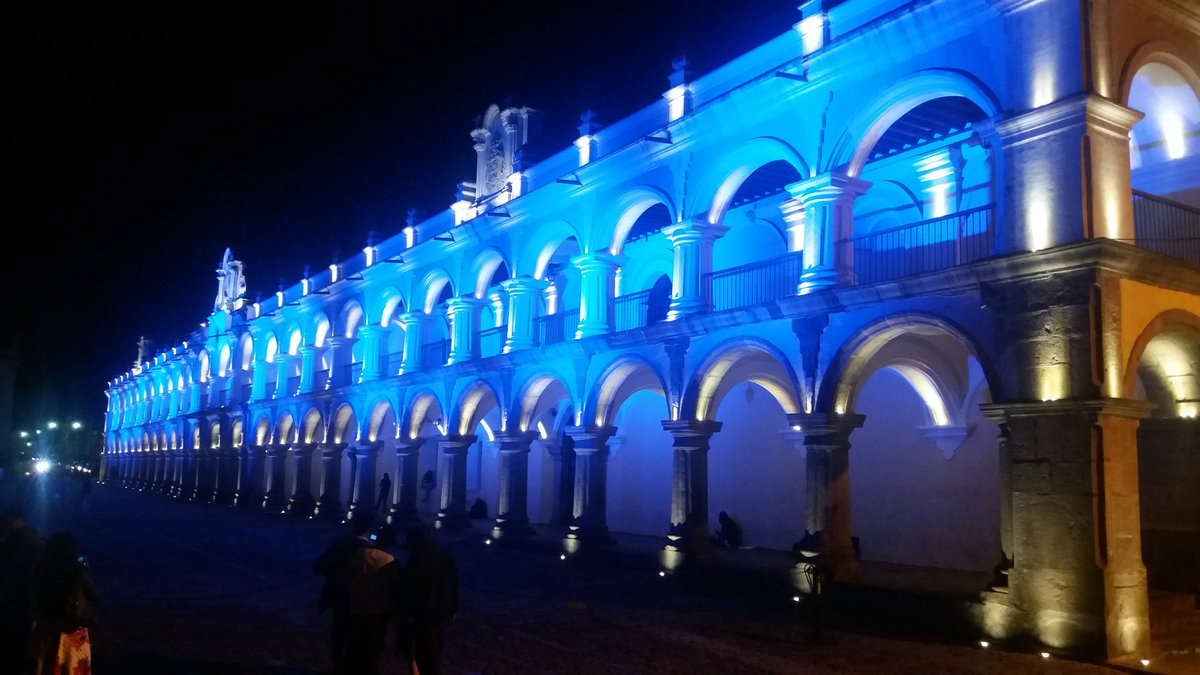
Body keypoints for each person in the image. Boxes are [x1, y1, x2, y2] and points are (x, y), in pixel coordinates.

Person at [314, 510, 376, 675]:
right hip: (361, 603)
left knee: (339, 636)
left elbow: (320, 566)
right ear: (369, 530)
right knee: (357, 639)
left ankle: (337, 667)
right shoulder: (371, 551)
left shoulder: (340, 544)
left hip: (339, 599)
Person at [30, 531, 97, 675]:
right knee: (72, 666)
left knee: (47, 665)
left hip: (48, 626)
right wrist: (85, 569)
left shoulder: (42, 568)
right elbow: (93, 594)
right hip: (71, 628)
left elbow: (35, 594)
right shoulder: (77, 571)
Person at [402, 525, 459, 675]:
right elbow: (454, 582)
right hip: (444, 611)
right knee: (436, 649)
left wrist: (405, 614)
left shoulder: (417, 558)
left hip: (424, 614)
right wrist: (454, 607)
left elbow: (409, 588)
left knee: (425, 656)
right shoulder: (445, 555)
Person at [0, 508, 42, 674]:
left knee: (9, 637)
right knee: (20, 639)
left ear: (13, 519)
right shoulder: (36, 540)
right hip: (26, 598)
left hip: (11, 597)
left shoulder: (10, 543)